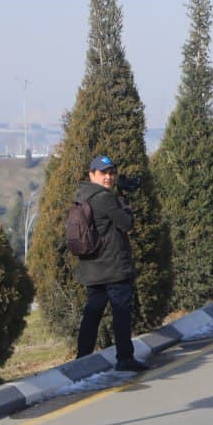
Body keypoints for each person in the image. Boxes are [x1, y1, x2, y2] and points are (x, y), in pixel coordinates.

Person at [74, 155, 148, 372]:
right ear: (92, 174)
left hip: (93, 267)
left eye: (111, 173)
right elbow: (126, 224)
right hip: (113, 267)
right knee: (121, 313)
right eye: (103, 173)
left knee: (92, 313)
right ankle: (125, 358)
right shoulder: (105, 198)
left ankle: (82, 359)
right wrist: (125, 203)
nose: (108, 177)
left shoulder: (82, 196)